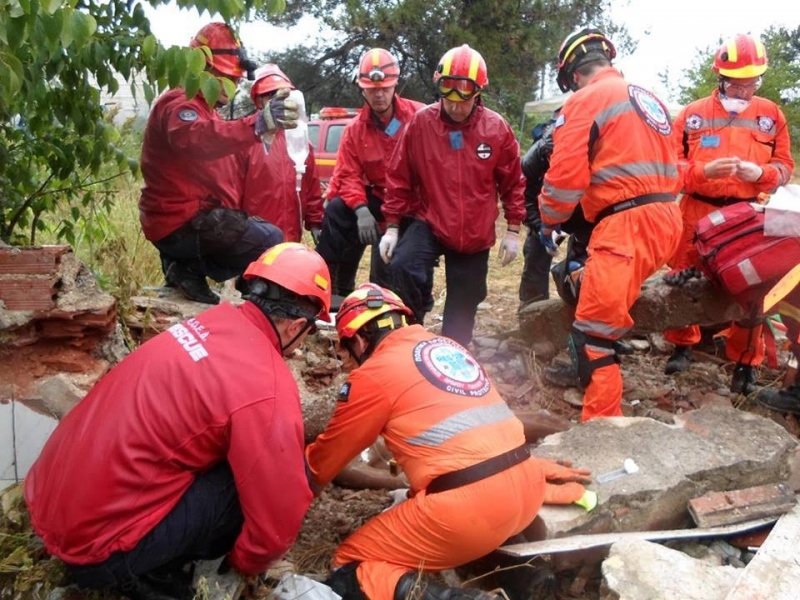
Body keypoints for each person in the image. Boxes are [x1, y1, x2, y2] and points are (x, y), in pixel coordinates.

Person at [24, 243, 332, 600]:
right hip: (99, 551)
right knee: (271, 476)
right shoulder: (267, 385)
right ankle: (151, 573)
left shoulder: (206, 324)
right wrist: (245, 562)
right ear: (297, 325)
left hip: (48, 505)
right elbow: (278, 521)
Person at [305, 283, 595, 600]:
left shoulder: (372, 374)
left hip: (465, 509)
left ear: (359, 339)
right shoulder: (447, 347)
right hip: (526, 485)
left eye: (346, 350)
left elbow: (322, 464)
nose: (346, 360)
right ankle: (525, 578)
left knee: (351, 565)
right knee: (458, 531)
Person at [537, 28, 682, 421]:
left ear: (571, 75)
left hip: (626, 225)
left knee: (593, 337)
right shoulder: (647, 98)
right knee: (589, 286)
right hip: (666, 219)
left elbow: (565, 178)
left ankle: (602, 429)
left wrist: (548, 219)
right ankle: (596, 300)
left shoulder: (585, 100)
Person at [661, 33, 794, 394]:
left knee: (752, 288)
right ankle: (683, 344)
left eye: (753, 82)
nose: (745, 90)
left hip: (746, 218)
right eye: (738, 83)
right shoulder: (692, 115)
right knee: (682, 280)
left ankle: (745, 363)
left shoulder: (771, 115)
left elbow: (784, 166)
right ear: (721, 78)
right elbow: (669, 168)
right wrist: (703, 172)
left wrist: (761, 175)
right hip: (696, 214)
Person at [139, 22, 299, 305]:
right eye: (227, 75)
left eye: (236, 78)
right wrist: (258, 123)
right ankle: (190, 267)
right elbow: (198, 139)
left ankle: (186, 269)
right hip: (179, 223)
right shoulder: (181, 103)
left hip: (182, 220)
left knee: (257, 229)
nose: (234, 84)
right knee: (268, 239)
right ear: (203, 70)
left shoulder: (202, 107)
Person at [379, 44, 525, 347]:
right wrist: (392, 226)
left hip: (474, 230)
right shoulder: (421, 124)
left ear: (478, 93)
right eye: (449, 97)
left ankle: (453, 352)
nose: (456, 107)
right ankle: (411, 339)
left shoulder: (496, 129)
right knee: (403, 267)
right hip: (431, 219)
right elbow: (399, 175)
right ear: (440, 90)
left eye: (465, 99)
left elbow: (513, 181)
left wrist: (513, 229)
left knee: (464, 302)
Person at [315, 48, 425, 298]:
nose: (379, 94)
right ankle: (331, 288)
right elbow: (348, 174)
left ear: (395, 85)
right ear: (362, 89)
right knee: (337, 210)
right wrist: (361, 210)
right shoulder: (355, 130)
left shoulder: (419, 117)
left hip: (412, 204)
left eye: (385, 88)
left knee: (384, 272)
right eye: (373, 89)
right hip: (380, 197)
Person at [519, 108, 593, 310]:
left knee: (585, 263)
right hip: (550, 217)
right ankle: (532, 310)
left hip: (586, 214)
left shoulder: (596, 151)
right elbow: (522, 196)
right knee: (537, 257)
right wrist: (537, 225)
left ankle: (581, 309)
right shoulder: (536, 157)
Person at [241, 64, 324, 244]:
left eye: (282, 94)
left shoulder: (301, 142)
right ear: (259, 100)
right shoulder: (247, 141)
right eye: (270, 95)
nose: (277, 100)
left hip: (291, 237)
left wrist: (315, 222)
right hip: (256, 238)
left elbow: (311, 187)